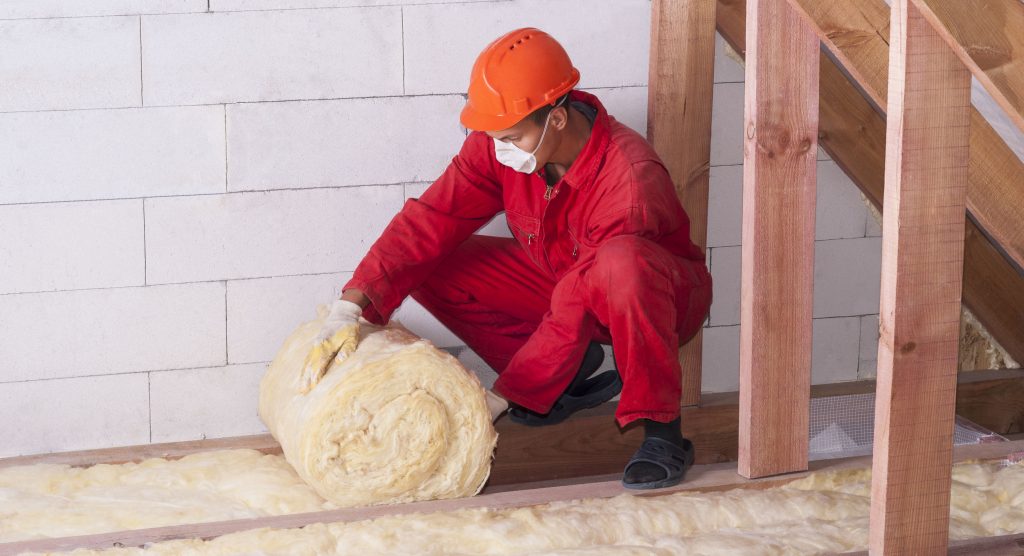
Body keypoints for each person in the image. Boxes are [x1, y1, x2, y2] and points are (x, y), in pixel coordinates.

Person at [301, 27, 712, 490]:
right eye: (493, 136)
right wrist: (350, 306)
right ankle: (564, 375)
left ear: (556, 119)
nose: (498, 149)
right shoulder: (503, 144)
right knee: (435, 261)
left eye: (511, 137)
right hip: (562, 277)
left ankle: (664, 434)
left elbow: (582, 297)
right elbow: (434, 217)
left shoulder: (629, 181)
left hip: (647, 298)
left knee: (622, 265)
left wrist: (504, 396)